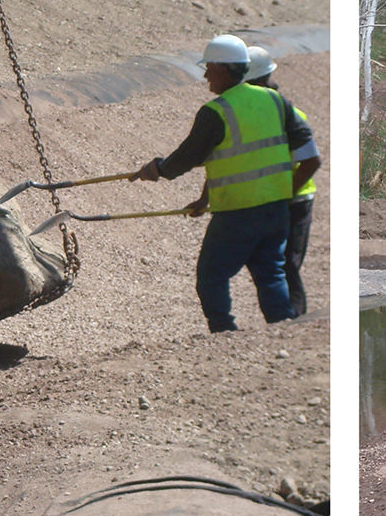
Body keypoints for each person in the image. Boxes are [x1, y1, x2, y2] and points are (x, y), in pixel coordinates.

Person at [133, 34, 312, 332]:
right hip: (276, 211)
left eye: (210, 68)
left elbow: (188, 157)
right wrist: (205, 198)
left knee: (211, 275)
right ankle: (283, 328)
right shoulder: (276, 101)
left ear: (226, 70)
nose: (205, 75)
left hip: (237, 213)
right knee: (271, 273)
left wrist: (157, 169)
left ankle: (223, 332)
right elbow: (304, 152)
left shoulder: (216, 112)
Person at [243, 44, 322, 316]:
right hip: (271, 199)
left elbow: (310, 163)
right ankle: (282, 321)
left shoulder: (289, 115)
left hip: (294, 199)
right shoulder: (251, 114)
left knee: (287, 264)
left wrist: (285, 193)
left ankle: (295, 322)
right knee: (270, 264)